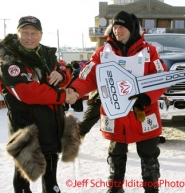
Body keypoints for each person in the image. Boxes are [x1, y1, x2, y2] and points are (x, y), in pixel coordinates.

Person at [68, 11, 167, 193]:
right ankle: (115, 189)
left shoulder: (149, 51)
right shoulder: (102, 53)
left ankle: (151, 189)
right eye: (114, 26)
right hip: (115, 113)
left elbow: (161, 77)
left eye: (121, 26)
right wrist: (74, 90)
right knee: (115, 156)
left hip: (143, 113)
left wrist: (147, 96)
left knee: (149, 156)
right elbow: (87, 76)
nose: (117, 30)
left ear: (131, 29)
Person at [0, 16, 80, 193]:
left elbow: (63, 72)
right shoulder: (10, 61)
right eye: (25, 32)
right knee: (23, 176)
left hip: (51, 125)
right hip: (25, 128)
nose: (29, 37)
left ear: (41, 35)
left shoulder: (46, 54)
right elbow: (27, 93)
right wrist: (63, 96)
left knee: (51, 181)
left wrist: (62, 75)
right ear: (17, 34)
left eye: (34, 33)